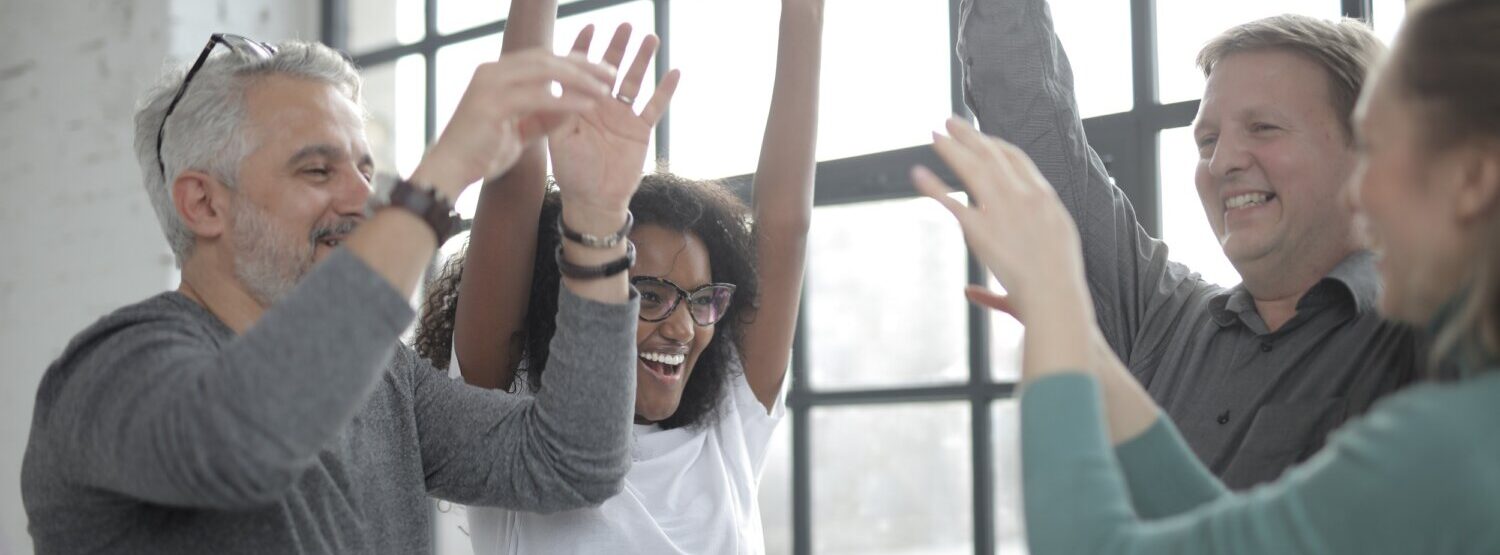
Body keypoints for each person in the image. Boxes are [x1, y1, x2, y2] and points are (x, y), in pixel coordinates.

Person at [20, 34, 658, 553]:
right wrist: (439, 181)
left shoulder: (385, 380)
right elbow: (248, 436)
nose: (362, 199)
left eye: (363, 169)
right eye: (318, 170)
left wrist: (597, 220)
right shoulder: (109, 372)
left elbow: (575, 460)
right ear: (204, 202)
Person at [914, 0, 1500, 551]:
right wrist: (1073, 332)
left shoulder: (1429, 353)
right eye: (1207, 140)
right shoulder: (1160, 316)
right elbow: (1028, 118)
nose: (1222, 162)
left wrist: (1059, 322)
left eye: (1264, 128)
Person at [414, 1, 822, 551]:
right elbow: (513, 185)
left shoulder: (729, 424)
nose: (681, 328)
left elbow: (785, 226)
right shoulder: (515, 416)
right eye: (647, 293)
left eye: (700, 300)